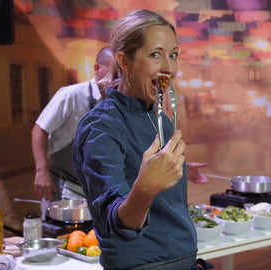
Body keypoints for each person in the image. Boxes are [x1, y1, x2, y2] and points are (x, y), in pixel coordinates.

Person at [72, 9, 213, 270]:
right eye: (155, 55)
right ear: (124, 61)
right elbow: (117, 222)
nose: (169, 68)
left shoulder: (160, 119)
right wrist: (145, 188)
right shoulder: (101, 126)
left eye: (173, 55)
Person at [31, 46, 114, 204]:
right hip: (62, 183)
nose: (118, 78)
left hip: (96, 188)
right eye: (114, 72)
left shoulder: (115, 102)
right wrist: (41, 170)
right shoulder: (71, 95)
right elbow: (39, 130)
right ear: (97, 68)